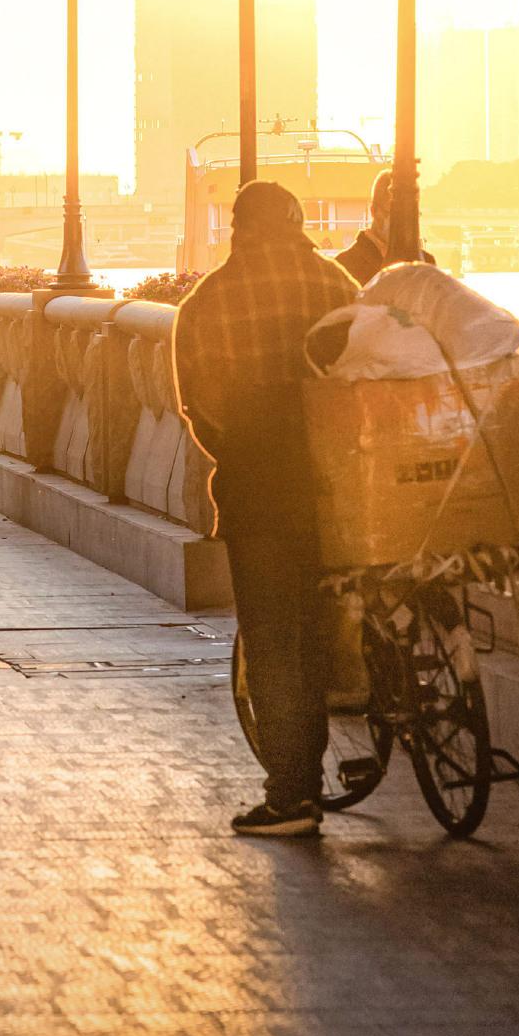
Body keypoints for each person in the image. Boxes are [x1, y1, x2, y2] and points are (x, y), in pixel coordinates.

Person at [172, 180, 357, 841]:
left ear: (236, 228)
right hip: (342, 492)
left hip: (260, 491)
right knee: (322, 623)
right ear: (299, 223)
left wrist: (243, 450)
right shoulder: (338, 286)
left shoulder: (207, 304)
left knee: (274, 643)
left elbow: (202, 410)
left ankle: (293, 795)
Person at [335, 171, 393, 290]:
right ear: (374, 211)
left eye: (410, 215)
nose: (402, 223)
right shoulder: (344, 266)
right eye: (392, 214)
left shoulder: (425, 262)